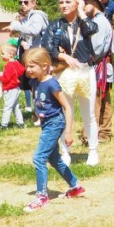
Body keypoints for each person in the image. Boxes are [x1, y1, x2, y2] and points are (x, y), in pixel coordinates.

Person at [42, 0, 100, 167]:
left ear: (77, 3)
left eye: (68, 2)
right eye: (61, 2)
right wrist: (63, 57)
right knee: (65, 112)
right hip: (65, 73)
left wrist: (82, 13)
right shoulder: (55, 25)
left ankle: (93, 150)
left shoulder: (84, 23)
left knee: (88, 112)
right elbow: (47, 46)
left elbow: (92, 29)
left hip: (85, 71)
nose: (64, 6)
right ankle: (65, 152)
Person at [22, 47, 84, 211]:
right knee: (54, 158)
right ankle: (75, 186)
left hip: (55, 123)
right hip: (46, 123)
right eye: (27, 66)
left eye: (32, 66)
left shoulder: (51, 83)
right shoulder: (35, 81)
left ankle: (42, 196)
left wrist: (68, 132)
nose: (28, 70)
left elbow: (68, 108)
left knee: (39, 158)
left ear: (44, 66)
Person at [6, 0, 49, 114]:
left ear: (33, 4)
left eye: (26, 2)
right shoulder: (27, 19)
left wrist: (16, 26)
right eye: (21, 2)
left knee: (41, 83)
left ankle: (45, 111)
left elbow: (34, 30)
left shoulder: (37, 15)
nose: (23, 4)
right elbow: (25, 33)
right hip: (32, 54)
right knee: (33, 84)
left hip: (41, 54)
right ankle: (39, 111)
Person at [82, 0, 114, 143]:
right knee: (103, 100)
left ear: (94, 4)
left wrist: (83, 59)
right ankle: (103, 133)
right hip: (100, 65)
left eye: (86, 3)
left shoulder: (99, 22)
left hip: (98, 66)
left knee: (94, 100)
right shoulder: (97, 20)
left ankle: (92, 134)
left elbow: (96, 48)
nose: (82, 6)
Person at [0, 45, 26, 129]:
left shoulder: (8, 66)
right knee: (16, 107)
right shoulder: (16, 63)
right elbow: (22, 70)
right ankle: (20, 123)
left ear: (10, 54)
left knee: (7, 107)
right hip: (16, 88)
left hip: (10, 89)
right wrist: (16, 77)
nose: (1, 55)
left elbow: (6, 79)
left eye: (3, 53)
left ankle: (4, 124)